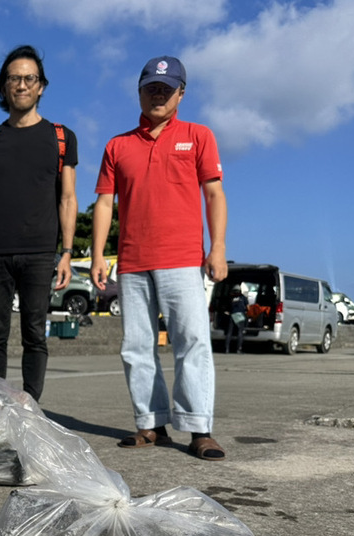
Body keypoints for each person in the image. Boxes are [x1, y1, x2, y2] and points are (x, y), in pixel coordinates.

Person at [91, 56, 229, 461]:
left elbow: (214, 194)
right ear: (139, 91)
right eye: (151, 86)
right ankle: (150, 423)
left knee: (192, 342)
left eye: (166, 89)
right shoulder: (118, 145)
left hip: (183, 259)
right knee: (136, 345)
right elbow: (104, 203)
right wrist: (99, 254)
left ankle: (199, 427)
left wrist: (217, 247)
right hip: (133, 261)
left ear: (180, 94)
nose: (158, 94)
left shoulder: (199, 136)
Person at [0, 45, 78, 401]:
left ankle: (30, 407)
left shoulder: (61, 137)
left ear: (41, 86)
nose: (22, 85)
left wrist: (67, 253)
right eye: (14, 78)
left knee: (34, 333)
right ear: (4, 86)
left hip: (41, 252)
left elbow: (68, 198)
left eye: (30, 78)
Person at [225, 287, 248, 354]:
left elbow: (228, 307)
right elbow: (247, 307)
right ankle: (238, 349)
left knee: (229, 333)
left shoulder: (231, 297)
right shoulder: (242, 297)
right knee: (240, 332)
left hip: (232, 315)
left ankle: (227, 349)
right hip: (240, 316)